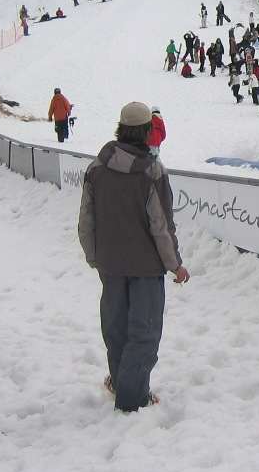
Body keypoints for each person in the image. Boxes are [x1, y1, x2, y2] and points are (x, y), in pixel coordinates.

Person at [78, 102, 188, 411]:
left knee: (116, 328)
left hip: (111, 264)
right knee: (145, 331)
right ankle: (132, 397)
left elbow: (86, 220)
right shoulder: (152, 172)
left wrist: (94, 256)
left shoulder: (97, 168)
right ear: (146, 132)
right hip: (146, 267)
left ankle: (120, 381)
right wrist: (174, 265)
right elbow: (161, 226)